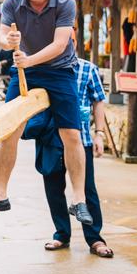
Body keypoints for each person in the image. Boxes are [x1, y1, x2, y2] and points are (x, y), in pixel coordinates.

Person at [0, 0, 93, 226]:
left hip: (60, 69)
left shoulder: (65, 2)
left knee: (71, 134)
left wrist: (29, 59)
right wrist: (9, 42)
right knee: (9, 130)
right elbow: (2, 38)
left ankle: (78, 200)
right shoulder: (12, 1)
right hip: (25, 70)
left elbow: (60, 44)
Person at [28, 48, 114, 258]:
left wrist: (99, 134)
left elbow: (98, 101)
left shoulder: (87, 68)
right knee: (53, 188)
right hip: (50, 138)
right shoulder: (42, 69)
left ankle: (95, 239)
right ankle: (62, 234)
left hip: (80, 139)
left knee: (87, 189)